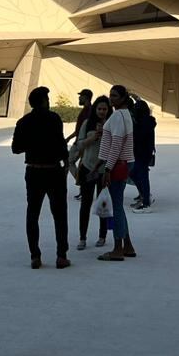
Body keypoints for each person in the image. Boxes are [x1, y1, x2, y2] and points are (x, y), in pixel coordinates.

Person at [10, 86, 71, 270]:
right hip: (54, 171)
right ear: (44, 101)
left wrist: (32, 143)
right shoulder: (54, 119)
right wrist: (66, 163)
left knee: (33, 214)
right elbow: (61, 145)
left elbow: (16, 148)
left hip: (34, 171)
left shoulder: (23, 122)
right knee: (60, 215)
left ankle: (35, 256)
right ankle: (61, 256)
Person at [96, 84, 137, 261]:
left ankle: (117, 248)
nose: (111, 98)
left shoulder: (118, 116)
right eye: (110, 95)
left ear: (122, 98)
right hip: (123, 163)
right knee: (118, 205)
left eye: (115, 96)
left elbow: (116, 145)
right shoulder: (124, 114)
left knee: (116, 208)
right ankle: (127, 245)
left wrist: (107, 169)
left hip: (117, 164)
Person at [71, 95, 111, 250]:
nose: (102, 112)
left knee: (103, 203)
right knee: (85, 204)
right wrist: (92, 138)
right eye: (99, 109)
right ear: (95, 109)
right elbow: (80, 144)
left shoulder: (111, 124)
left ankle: (102, 236)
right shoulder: (88, 124)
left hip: (104, 170)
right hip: (88, 167)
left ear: (109, 110)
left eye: (105, 109)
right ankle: (82, 237)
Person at [66, 89, 93, 200]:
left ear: (86, 97)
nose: (79, 98)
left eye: (80, 96)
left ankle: (83, 185)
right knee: (71, 162)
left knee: (71, 162)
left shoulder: (88, 111)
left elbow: (84, 130)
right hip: (79, 141)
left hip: (81, 143)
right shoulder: (86, 110)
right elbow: (78, 130)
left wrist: (70, 138)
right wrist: (69, 138)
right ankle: (83, 186)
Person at [130, 98, 157, 213]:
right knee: (136, 175)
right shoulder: (146, 121)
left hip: (141, 154)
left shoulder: (143, 123)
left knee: (140, 176)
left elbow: (140, 138)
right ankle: (144, 197)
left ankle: (146, 202)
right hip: (142, 153)